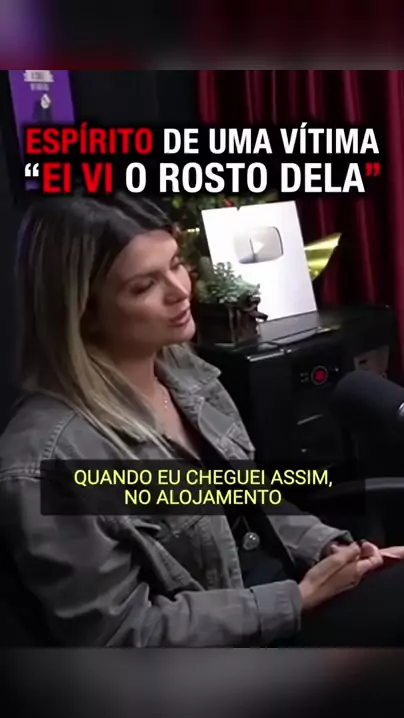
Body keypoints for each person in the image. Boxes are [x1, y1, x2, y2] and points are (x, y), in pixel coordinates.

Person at [0, 191, 404, 648]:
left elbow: (249, 501)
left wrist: (332, 550)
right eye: (144, 286)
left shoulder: (183, 369)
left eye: (175, 264)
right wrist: (296, 600)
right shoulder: (48, 460)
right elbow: (121, 635)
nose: (180, 290)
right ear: (83, 312)